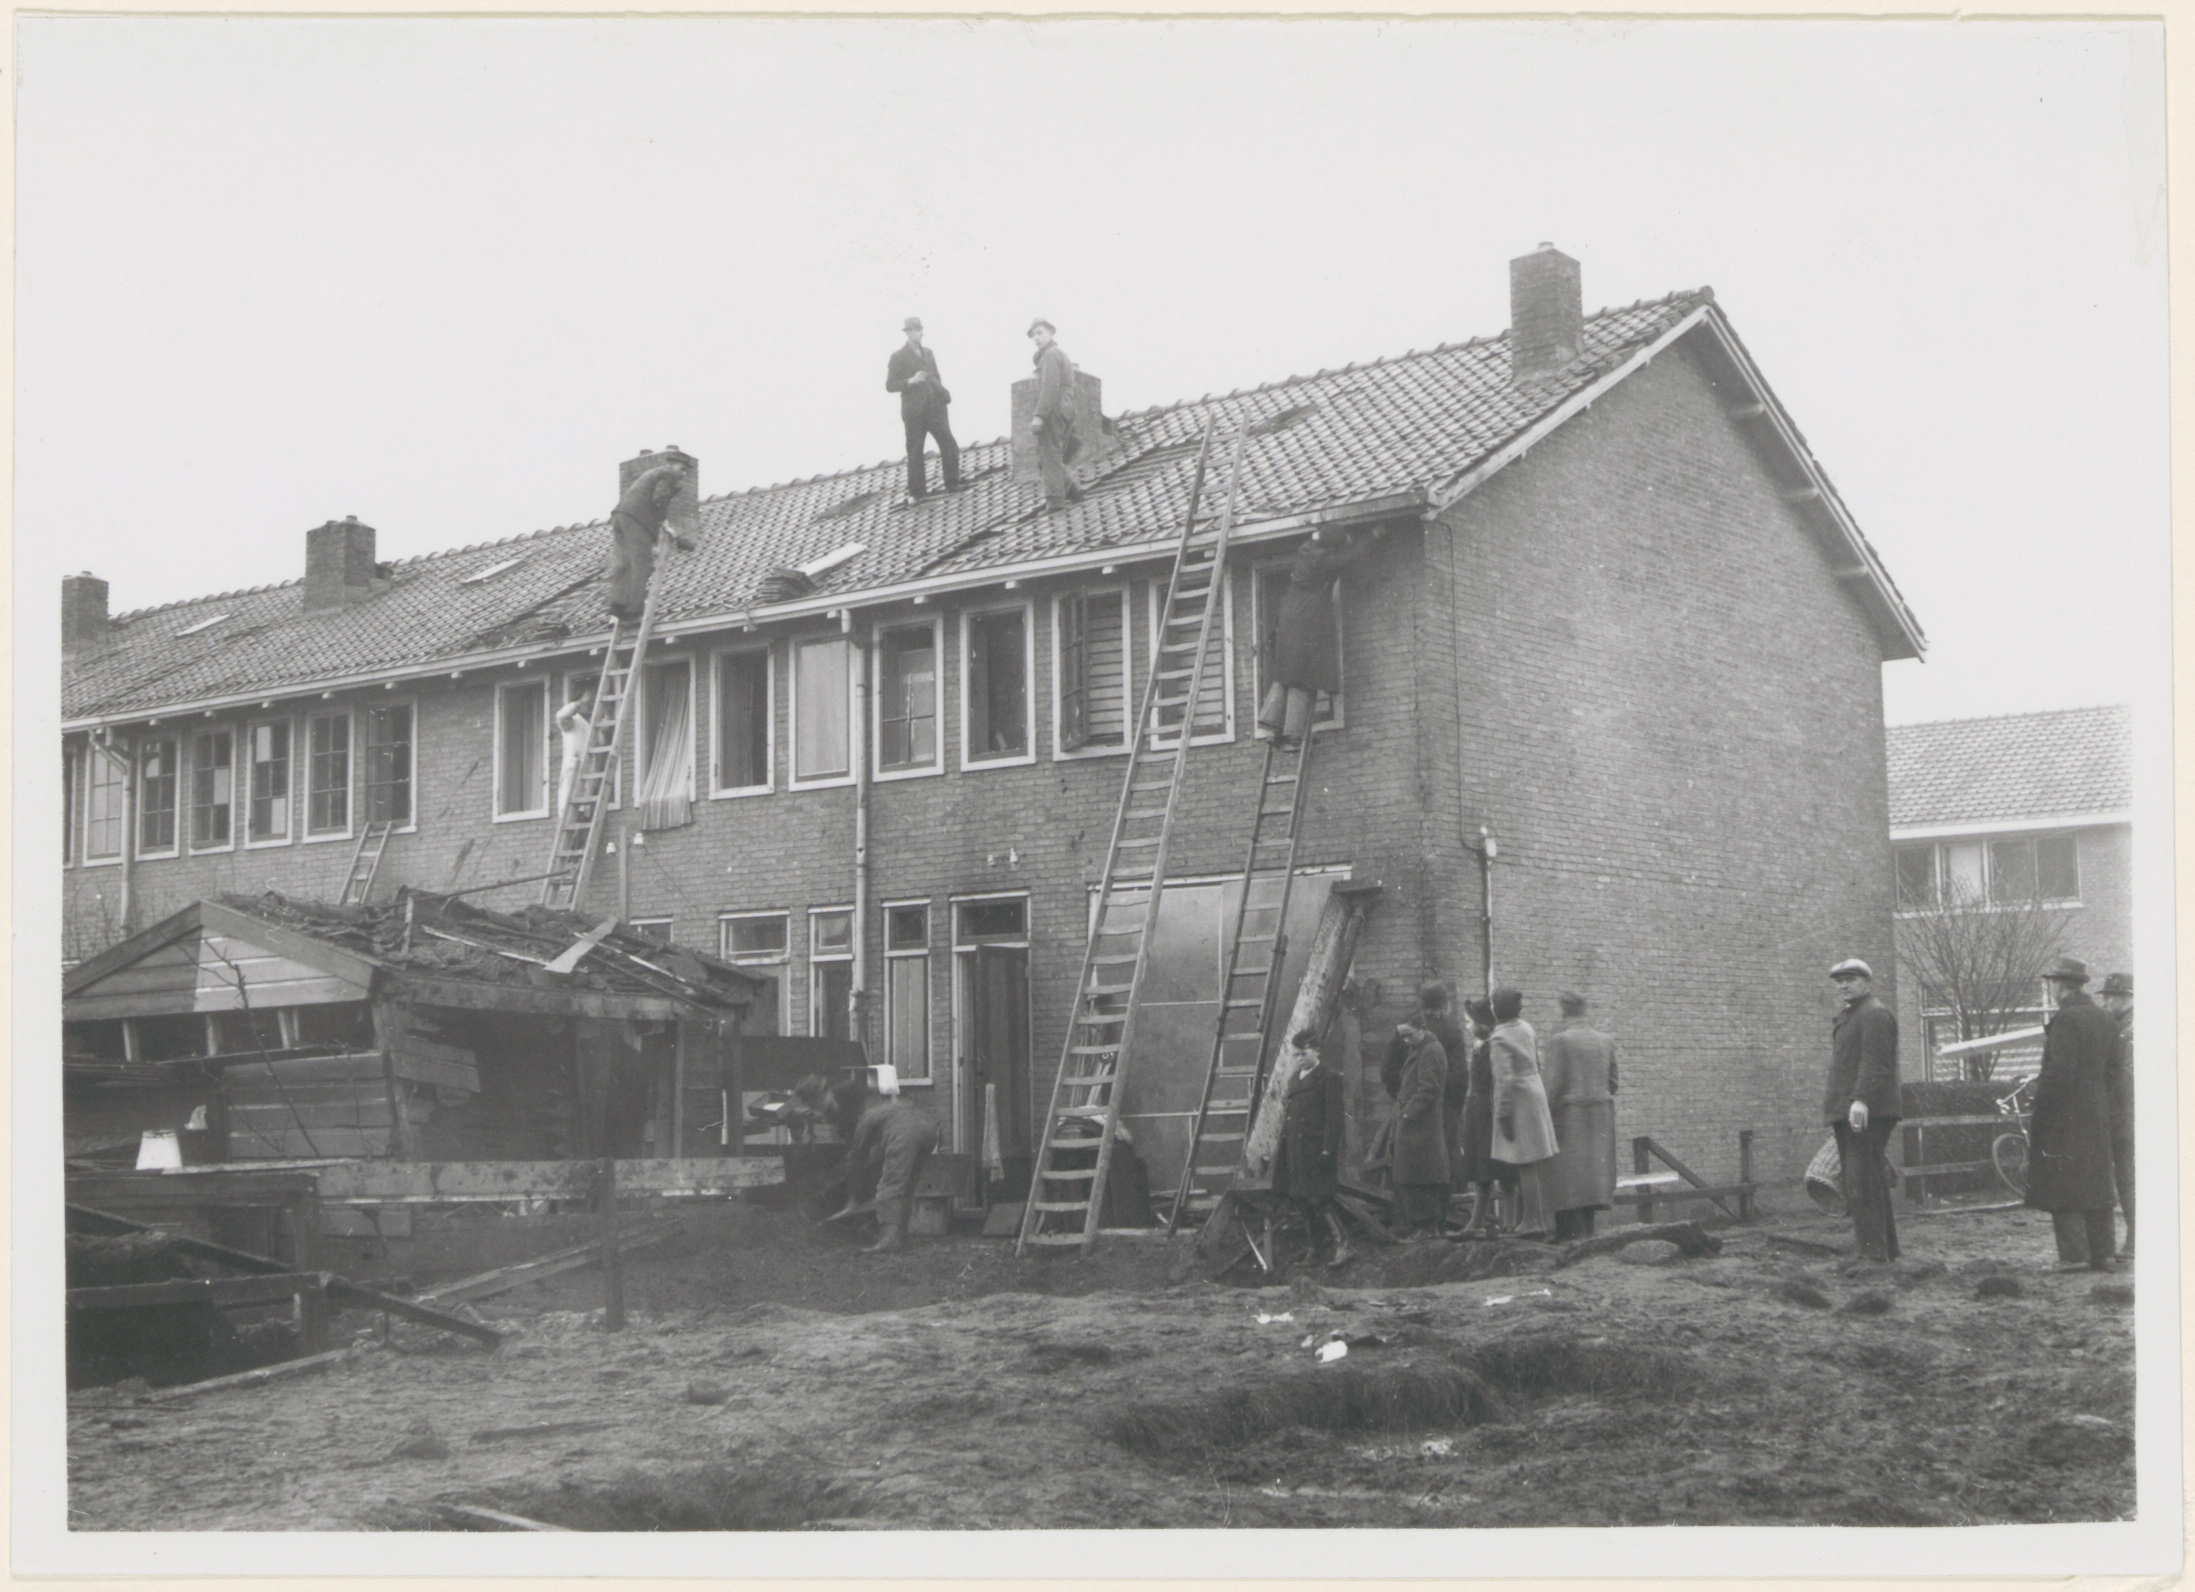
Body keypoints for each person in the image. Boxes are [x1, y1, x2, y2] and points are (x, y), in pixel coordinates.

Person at [2025, 957, 2119, 1271]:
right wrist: (2101, 1101)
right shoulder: (2105, 1017)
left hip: (2066, 1115)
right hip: (2097, 1111)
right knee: (2096, 1181)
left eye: (2052, 983)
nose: (2051, 989)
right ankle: (2103, 1254)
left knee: (2063, 1181)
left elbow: (2060, 1072)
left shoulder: (2065, 1019)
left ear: (2061, 985)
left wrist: (2041, 1105)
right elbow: (2116, 1070)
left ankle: (2074, 1256)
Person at [1255, 529, 1379, 748]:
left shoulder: (1306, 551)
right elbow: (1351, 556)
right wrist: (1372, 535)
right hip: (1308, 618)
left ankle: (1272, 728)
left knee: (1285, 672)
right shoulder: (1324, 560)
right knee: (1303, 676)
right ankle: (1293, 732)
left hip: (1288, 617)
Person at [1823, 957, 1900, 1263]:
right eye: (1840, 981)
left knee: (1860, 1184)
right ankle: (1886, 1251)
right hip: (1853, 1110)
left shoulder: (1874, 1014)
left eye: (1851, 979)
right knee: (1870, 1181)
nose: (1844, 986)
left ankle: (1872, 1256)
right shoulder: (1852, 1015)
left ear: (1867, 982)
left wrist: (1861, 1099)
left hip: (1868, 1111)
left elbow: (1875, 1063)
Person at [1383, 983, 1468, 1232]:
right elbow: (1460, 1075)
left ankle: (1414, 1224)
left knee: (1411, 1167)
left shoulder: (1405, 1029)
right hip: (1443, 1107)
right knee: (1442, 1165)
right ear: (1445, 1004)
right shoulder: (1451, 1029)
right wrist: (1453, 1107)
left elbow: (1387, 1069)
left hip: (1414, 1106)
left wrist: (1403, 1098)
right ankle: (1446, 1220)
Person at [1539, 991, 1619, 1241]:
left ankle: (1569, 1237)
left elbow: (1551, 1087)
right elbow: (1613, 1083)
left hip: (1568, 1117)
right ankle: (1588, 1234)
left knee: (1567, 1179)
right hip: (1600, 1118)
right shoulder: (1605, 1041)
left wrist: (1546, 1117)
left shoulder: (1559, 1041)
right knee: (1591, 1180)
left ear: (1564, 1012)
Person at [829, 1080, 941, 1253]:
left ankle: (888, 1240)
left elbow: (858, 1159)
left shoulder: (866, 1117)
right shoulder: (885, 1104)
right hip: (928, 1128)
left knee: (890, 1185)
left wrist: (853, 1199)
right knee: (908, 1186)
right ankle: (901, 1235)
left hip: (905, 1133)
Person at [1271, 1028, 1351, 1269]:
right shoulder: (1296, 1079)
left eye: (1303, 1054)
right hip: (1296, 1151)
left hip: (1315, 1151)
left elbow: (1334, 1119)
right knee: (1302, 1201)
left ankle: (1344, 1246)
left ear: (1317, 1051)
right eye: (1295, 1055)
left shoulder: (1328, 1078)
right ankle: (1314, 1250)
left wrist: (1328, 1150)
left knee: (1320, 1200)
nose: (1299, 1059)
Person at [1487, 988, 1558, 1235]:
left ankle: (1532, 1221)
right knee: (1532, 1163)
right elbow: (1537, 1062)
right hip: (1534, 1092)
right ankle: (1536, 1219)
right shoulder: (1527, 1028)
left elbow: (1504, 1080)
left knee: (1525, 1163)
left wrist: (1503, 1114)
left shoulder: (1499, 1038)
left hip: (1518, 1100)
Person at [1455, 997, 1517, 1236]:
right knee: (1481, 1169)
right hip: (1478, 1114)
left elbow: (1500, 1082)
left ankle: (1509, 1223)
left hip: (1490, 1114)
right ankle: (1476, 1222)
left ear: (1481, 1024)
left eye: (1470, 1022)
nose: (1467, 1026)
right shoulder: (1480, 1046)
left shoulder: (1493, 1047)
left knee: (1504, 1170)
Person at [606, 459, 696, 623]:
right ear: (671, 464)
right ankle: (633, 610)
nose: (683, 474)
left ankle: (617, 605)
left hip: (620, 517)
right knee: (642, 564)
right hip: (636, 520)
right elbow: (660, 499)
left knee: (623, 564)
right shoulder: (667, 474)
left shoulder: (651, 475)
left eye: (686, 471)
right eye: (682, 469)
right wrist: (664, 523)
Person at [884, 317, 960, 501]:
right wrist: (911, 381)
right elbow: (890, 385)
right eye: (911, 330)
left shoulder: (928, 353)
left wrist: (942, 395)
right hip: (914, 412)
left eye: (917, 330)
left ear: (921, 331)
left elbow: (936, 376)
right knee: (915, 450)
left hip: (935, 408)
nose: (916, 333)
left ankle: (953, 484)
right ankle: (918, 493)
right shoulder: (898, 356)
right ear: (907, 333)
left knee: (949, 444)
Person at [1388, 1015, 1450, 1238]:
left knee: (1421, 1176)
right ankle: (1422, 1227)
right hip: (1415, 1125)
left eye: (1409, 1035)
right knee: (1413, 1175)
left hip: (1422, 1126)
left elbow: (1429, 1089)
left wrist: (1407, 1113)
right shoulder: (1420, 1048)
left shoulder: (1430, 1051)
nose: (1406, 1041)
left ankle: (1427, 1228)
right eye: (1402, 1037)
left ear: (1421, 1028)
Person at [1027, 319, 1084, 510]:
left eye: (1040, 333)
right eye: (1034, 335)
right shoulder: (1055, 354)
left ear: (1050, 333)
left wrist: (1040, 415)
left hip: (1055, 407)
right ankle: (1073, 491)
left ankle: (1055, 501)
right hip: (1065, 406)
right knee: (1049, 455)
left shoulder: (1050, 355)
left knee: (1048, 452)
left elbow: (1050, 387)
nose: (1036, 338)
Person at [2099, 972, 2134, 1260]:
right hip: (2126, 1116)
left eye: (2110, 996)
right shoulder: (2122, 1026)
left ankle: (2136, 1241)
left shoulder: (2130, 1030)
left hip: (2127, 1117)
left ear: (2123, 998)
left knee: (2128, 1180)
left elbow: (2124, 1076)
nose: (2106, 1002)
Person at [553, 698, 592, 820]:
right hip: (573, 768)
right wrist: (578, 703)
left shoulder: (588, 724)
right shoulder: (571, 722)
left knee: (584, 806)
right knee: (570, 800)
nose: (589, 706)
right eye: (587, 704)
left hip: (586, 769)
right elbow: (560, 716)